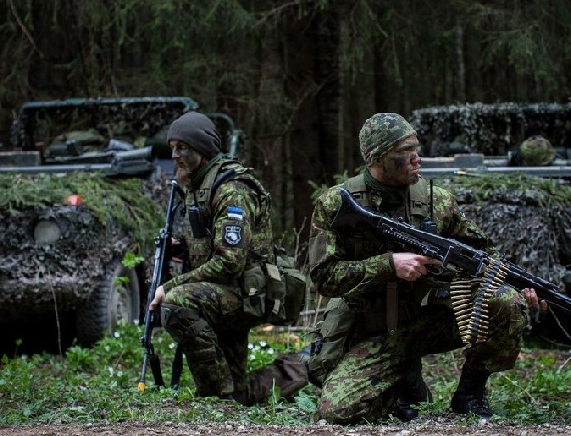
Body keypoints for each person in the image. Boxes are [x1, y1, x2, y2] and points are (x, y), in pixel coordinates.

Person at [306, 112, 546, 424]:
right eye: (405, 152)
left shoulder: (437, 200)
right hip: (371, 331)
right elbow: (324, 277)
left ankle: (470, 394)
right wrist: (389, 265)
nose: (416, 159)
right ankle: (404, 385)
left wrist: (520, 289)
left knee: (506, 303)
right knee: (337, 412)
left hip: (428, 321)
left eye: (416, 149)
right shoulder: (337, 204)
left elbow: (485, 255)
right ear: (377, 158)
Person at [148, 111, 307, 404]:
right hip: (227, 291)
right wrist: (183, 248)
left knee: (177, 302)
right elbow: (214, 245)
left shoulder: (231, 190)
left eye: (182, 147)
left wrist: (170, 286)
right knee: (240, 391)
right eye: (172, 148)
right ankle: (301, 369)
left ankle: (215, 398)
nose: (175, 155)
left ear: (202, 148)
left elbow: (230, 261)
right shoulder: (200, 184)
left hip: (247, 294)